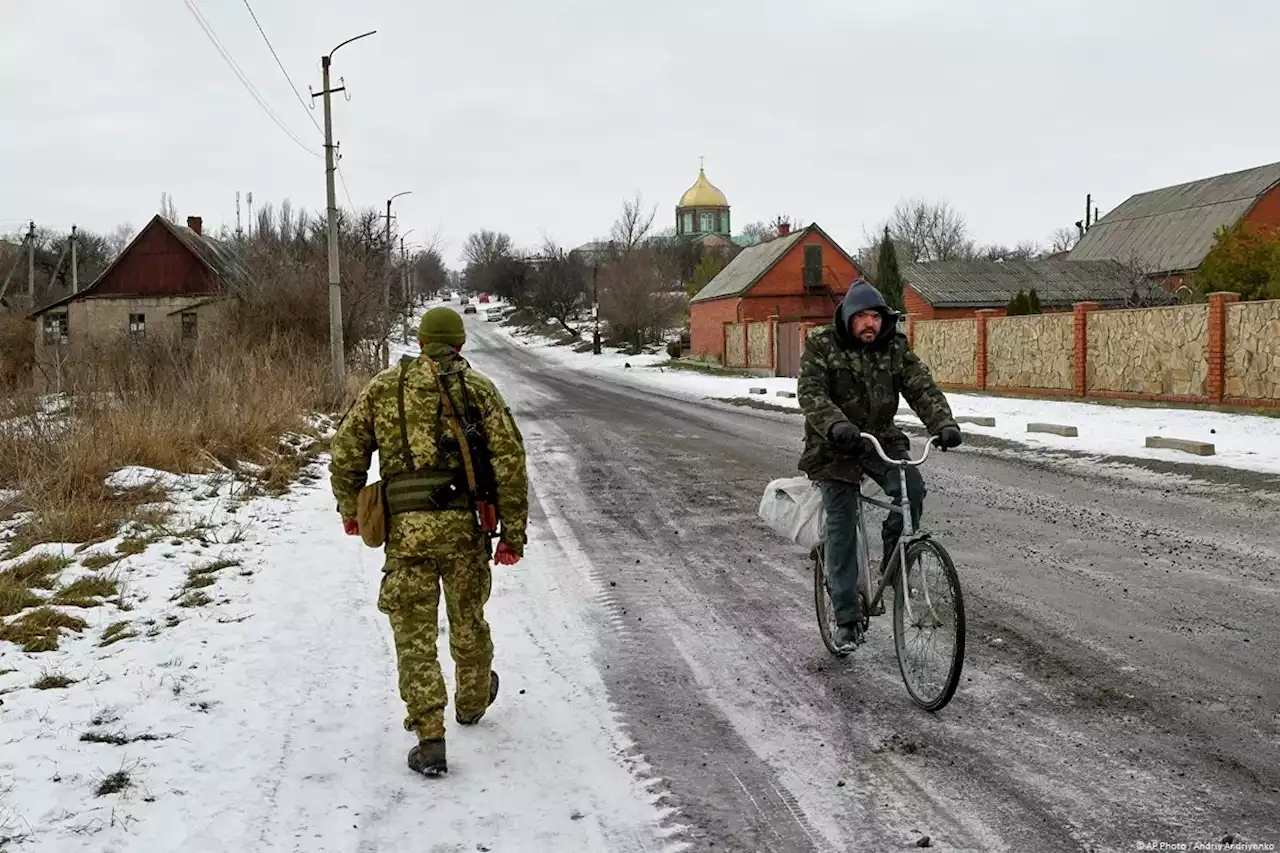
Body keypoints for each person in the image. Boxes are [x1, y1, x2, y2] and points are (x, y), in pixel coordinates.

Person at [329, 306, 529, 777]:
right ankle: (473, 701)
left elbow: (346, 452)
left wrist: (349, 509)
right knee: (468, 619)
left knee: (413, 633)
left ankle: (430, 737)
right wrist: (512, 535)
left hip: (406, 533)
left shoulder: (384, 387)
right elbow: (510, 463)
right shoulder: (477, 388)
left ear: (420, 343)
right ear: (460, 344)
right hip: (464, 529)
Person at [797, 280, 961, 652]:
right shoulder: (823, 345)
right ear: (848, 318)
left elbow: (921, 387)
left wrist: (943, 424)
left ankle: (893, 559)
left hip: (879, 441)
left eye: (875, 316)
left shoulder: (894, 347)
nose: (869, 324)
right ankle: (847, 620)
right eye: (862, 317)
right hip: (833, 445)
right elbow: (811, 392)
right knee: (842, 528)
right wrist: (835, 424)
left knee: (911, 491)